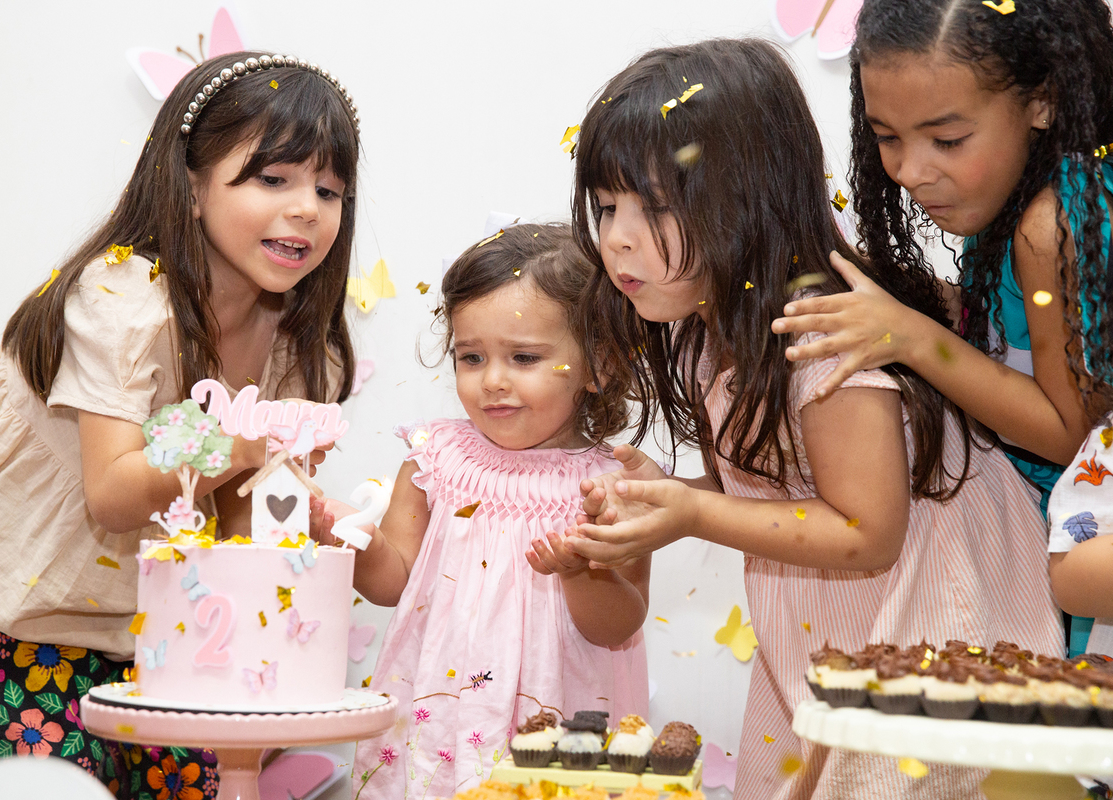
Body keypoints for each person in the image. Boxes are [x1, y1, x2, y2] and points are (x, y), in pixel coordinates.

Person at [563, 39, 1062, 799]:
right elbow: (775, 482)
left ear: (745, 196)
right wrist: (671, 487)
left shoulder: (822, 341)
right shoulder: (707, 330)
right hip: (828, 635)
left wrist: (692, 512)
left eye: (655, 207)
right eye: (606, 208)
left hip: (923, 635)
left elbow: (866, 533)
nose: (618, 239)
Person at [0, 51, 359, 798]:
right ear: (190, 188)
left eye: (328, 188)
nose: (307, 207)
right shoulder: (121, 295)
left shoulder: (296, 344)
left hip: (168, 655)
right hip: (16, 641)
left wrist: (306, 512)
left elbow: (238, 525)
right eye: (272, 179)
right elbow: (115, 495)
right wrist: (245, 441)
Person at [770, 0, 1113, 655]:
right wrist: (920, 295)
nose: (909, 171)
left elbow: (1073, 433)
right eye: (887, 136)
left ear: (1043, 100)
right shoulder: (1051, 195)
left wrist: (913, 338)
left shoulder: (1051, 226)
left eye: (947, 140)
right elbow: (1030, 335)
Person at [341, 224, 649, 799]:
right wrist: (350, 539)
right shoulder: (433, 460)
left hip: (557, 720)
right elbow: (392, 585)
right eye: (472, 357)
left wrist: (582, 572)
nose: (493, 382)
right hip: (440, 716)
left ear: (599, 365)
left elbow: (619, 626)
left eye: (524, 357)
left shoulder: (615, 488)